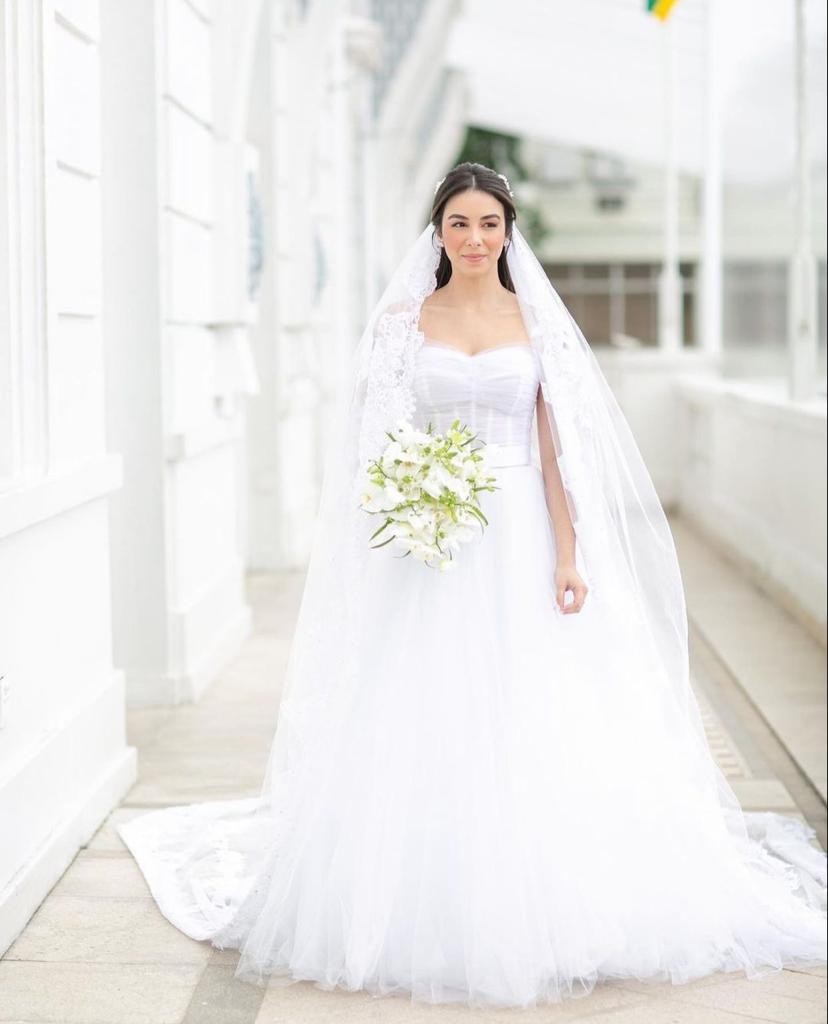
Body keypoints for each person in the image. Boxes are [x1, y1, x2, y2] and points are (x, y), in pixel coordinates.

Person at [118, 162, 827, 1010]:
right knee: (428, 707)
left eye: (490, 223)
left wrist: (570, 555)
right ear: (439, 231)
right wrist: (411, 502)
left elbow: (557, 449)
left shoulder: (536, 324)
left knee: (535, 704)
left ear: (508, 231)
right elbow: (375, 447)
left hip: (523, 529)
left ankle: (547, 893)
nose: (476, 238)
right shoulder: (402, 325)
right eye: (460, 223)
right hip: (433, 537)